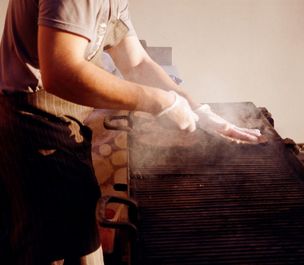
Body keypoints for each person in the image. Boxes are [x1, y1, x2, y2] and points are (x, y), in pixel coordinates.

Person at [0, 0, 261, 264]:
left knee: (80, 241)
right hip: (32, 125)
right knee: (55, 249)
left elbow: (136, 64)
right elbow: (60, 70)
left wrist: (200, 111)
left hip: (64, 122)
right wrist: (159, 102)